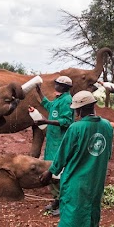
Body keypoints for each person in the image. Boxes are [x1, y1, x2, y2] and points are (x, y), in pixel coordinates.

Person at [39, 90, 114, 227]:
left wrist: (50, 173)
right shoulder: (107, 126)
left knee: (73, 225)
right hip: (96, 182)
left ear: (78, 110)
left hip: (76, 182)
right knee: (91, 220)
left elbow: (62, 155)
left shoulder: (76, 128)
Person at [33, 76, 74, 216]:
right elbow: (48, 105)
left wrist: (47, 121)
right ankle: (56, 200)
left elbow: (66, 121)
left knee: (59, 172)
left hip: (60, 142)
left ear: (65, 87)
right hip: (52, 142)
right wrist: (39, 92)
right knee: (52, 170)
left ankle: (63, 204)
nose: (55, 86)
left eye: (58, 84)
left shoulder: (67, 101)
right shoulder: (59, 99)